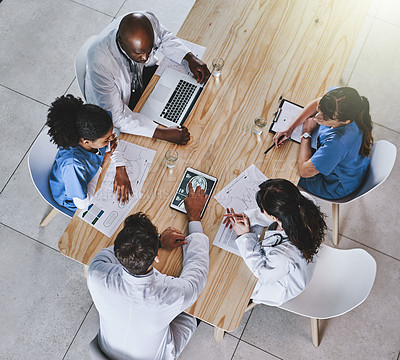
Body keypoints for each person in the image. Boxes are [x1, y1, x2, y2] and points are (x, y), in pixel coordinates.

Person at [87, 183, 209, 360]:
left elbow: (113, 252)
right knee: (196, 314)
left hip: (105, 352)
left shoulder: (95, 273)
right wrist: (194, 217)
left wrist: (157, 242)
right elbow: (197, 269)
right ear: (157, 257)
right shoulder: (172, 295)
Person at [85, 11, 211, 145]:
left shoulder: (146, 21)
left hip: (138, 77)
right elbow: (117, 117)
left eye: (149, 50)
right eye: (139, 53)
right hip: (116, 102)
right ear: (121, 43)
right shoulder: (100, 63)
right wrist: (161, 133)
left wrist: (189, 57)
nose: (145, 58)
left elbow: (163, 36)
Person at [224, 179, 326, 306]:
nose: (261, 212)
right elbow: (276, 214)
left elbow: (262, 273)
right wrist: (247, 216)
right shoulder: (302, 202)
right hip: (295, 263)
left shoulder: (283, 256)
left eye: (263, 210)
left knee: (226, 279)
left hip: (282, 284)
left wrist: (245, 236)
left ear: (274, 217)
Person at [273, 87, 374, 200]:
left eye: (325, 117)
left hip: (333, 185)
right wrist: (290, 128)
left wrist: (306, 133)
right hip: (348, 164)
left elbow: (304, 171)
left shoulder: (338, 144)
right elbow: (317, 102)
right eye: (320, 109)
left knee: (280, 167)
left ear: (345, 122)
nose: (317, 116)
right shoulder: (339, 102)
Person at [47, 95, 132, 211]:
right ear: (86, 141)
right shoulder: (73, 164)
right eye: (106, 139)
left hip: (89, 176)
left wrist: (119, 165)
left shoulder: (98, 127)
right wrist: (102, 165)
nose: (112, 138)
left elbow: (112, 139)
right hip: (73, 199)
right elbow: (82, 204)